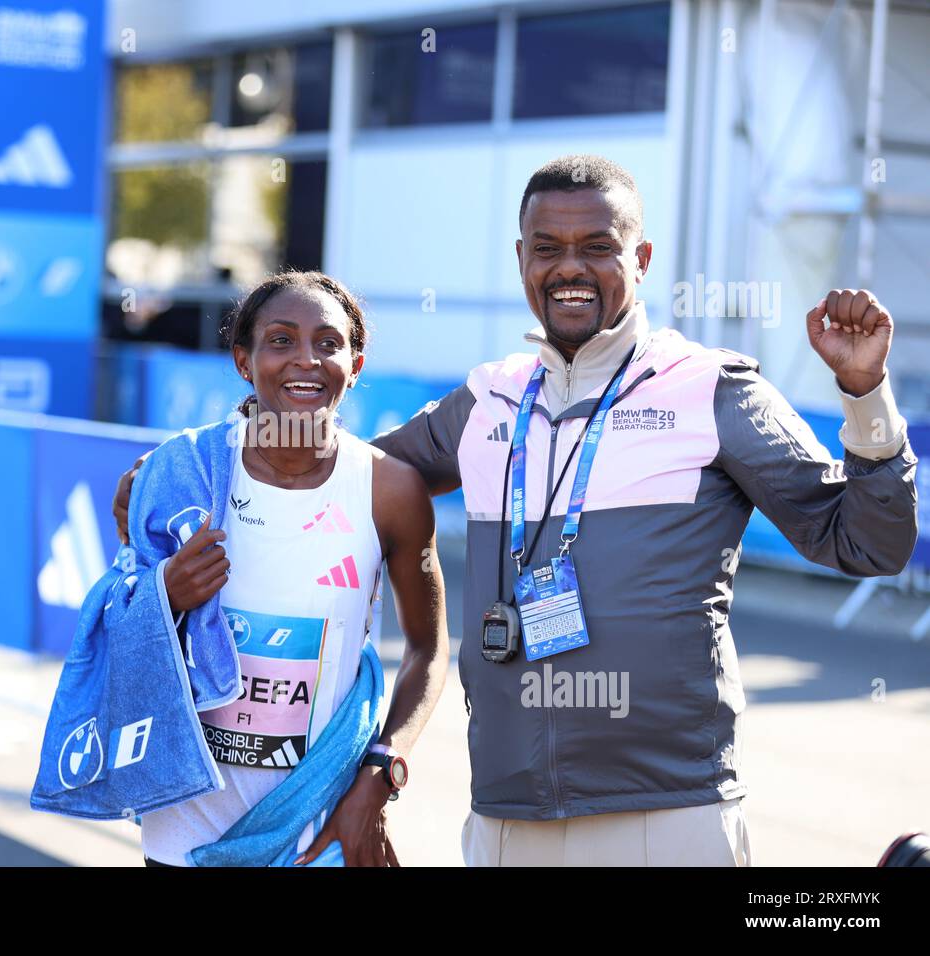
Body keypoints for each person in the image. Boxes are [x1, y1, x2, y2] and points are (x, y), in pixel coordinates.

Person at [116, 156, 919, 867]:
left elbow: (868, 546)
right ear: (522, 261)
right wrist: (182, 467)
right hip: (506, 818)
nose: (571, 268)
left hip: (668, 812)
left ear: (639, 260)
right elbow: (335, 467)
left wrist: (863, 394)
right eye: (549, 248)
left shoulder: (712, 387)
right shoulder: (490, 397)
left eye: (598, 247)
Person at [137, 270, 449, 867]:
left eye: (328, 343)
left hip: (320, 823)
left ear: (354, 364)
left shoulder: (388, 489)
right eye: (280, 340)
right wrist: (164, 595)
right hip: (184, 824)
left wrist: (382, 773)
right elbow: (114, 621)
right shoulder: (184, 473)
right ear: (242, 361)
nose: (306, 359)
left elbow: (429, 651)